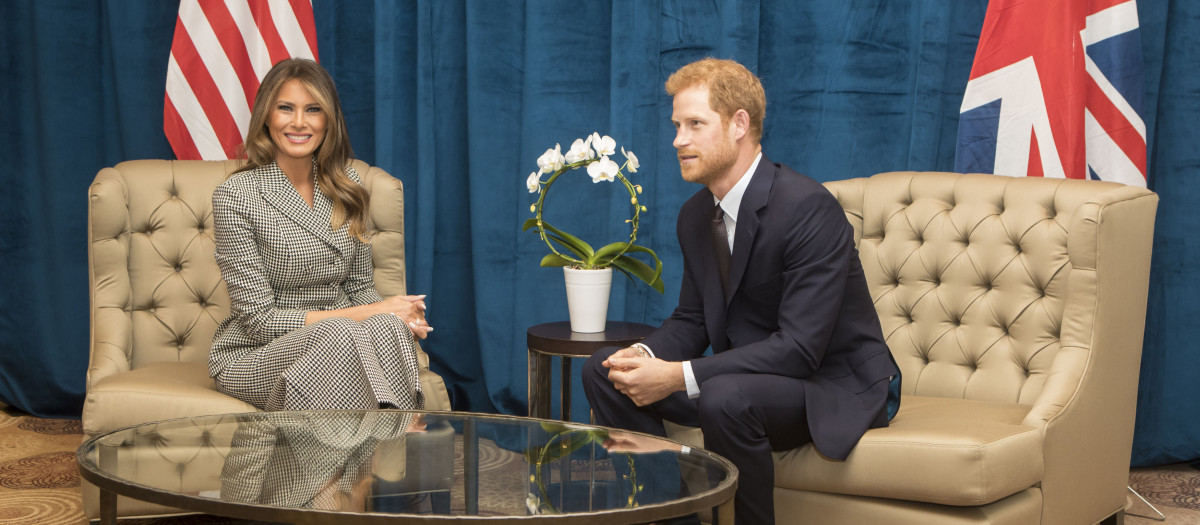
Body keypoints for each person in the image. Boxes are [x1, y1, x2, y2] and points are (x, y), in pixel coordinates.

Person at [582, 58, 901, 525]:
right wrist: (643, 353)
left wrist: (676, 376)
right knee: (603, 370)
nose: (678, 140)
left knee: (724, 397)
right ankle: (672, 517)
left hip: (831, 383)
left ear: (739, 125)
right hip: (745, 380)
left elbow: (799, 350)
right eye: (676, 126)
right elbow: (692, 319)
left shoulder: (808, 208)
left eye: (694, 124)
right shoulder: (695, 215)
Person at [210, 58, 430, 412]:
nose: (299, 122)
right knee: (343, 332)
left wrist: (398, 317)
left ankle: (392, 451)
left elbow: (359, 289)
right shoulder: (237, 195)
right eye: (286, 108)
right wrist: (372, 312)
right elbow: (259, 322)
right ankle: (361, 460)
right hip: (256, 353)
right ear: (266, 115)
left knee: (384, 329)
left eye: (313, 110)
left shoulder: (349, 186)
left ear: (328, 120)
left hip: (344, 340)